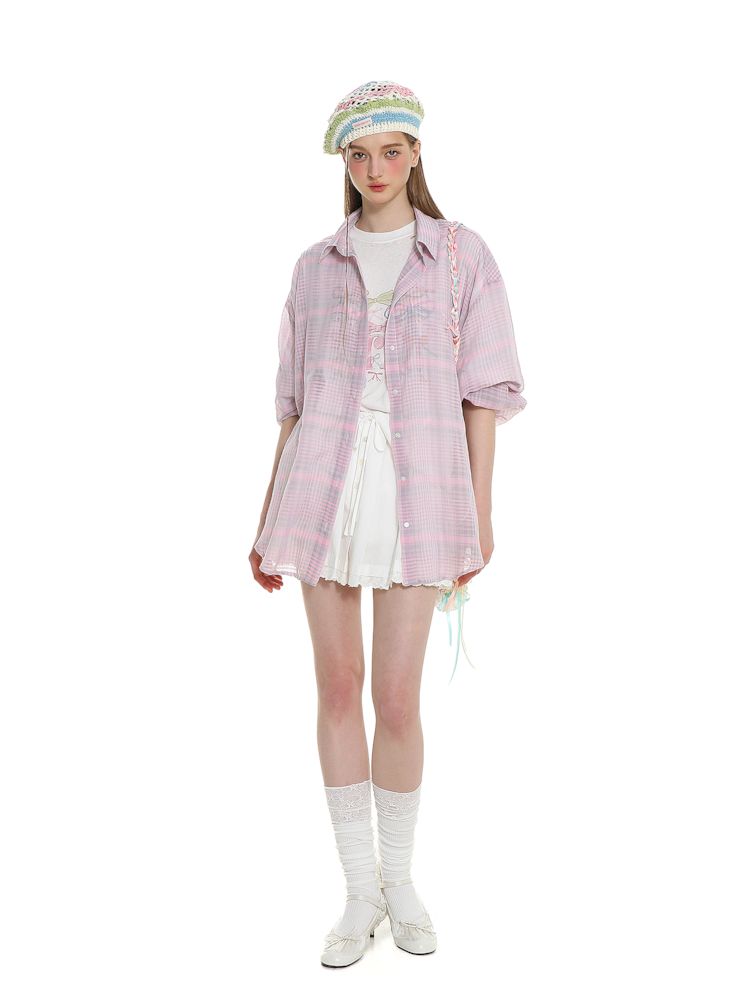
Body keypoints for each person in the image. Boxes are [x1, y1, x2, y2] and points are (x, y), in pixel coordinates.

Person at [248, 80, 527, 967]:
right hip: (319, 491)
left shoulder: (462, 256)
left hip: (423, 492)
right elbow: (293, 405)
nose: (376, 169)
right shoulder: (312, 267)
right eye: (360, 154)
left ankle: (401, 881)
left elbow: (482, 395)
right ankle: (359, 890)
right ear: (344, 160)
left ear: (415, 153)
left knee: (397, 699)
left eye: (391, 152)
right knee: (336, 690)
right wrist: (266, 515)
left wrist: (480, 512)